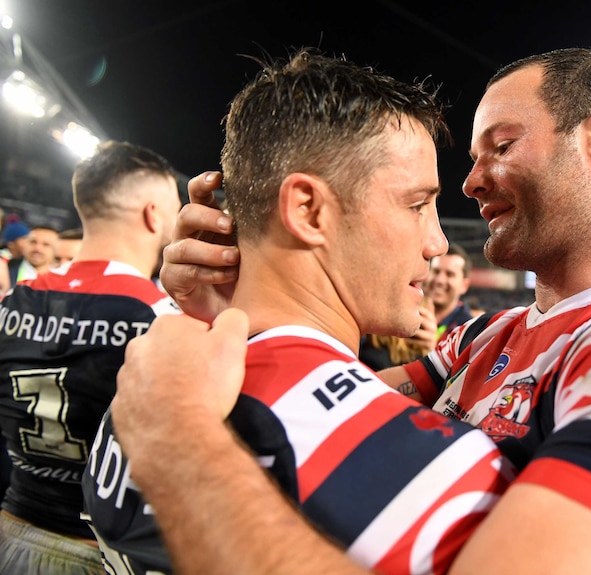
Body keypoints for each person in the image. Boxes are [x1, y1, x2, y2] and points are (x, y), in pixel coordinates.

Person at [113, 48, 591, 574]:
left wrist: (174, 438)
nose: (469, 183)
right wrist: (238, 293)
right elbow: (302, 414)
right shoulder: (484, 336)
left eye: (500, 144)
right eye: (470, 158)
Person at [81, 51, 511, 575]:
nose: (438, 242)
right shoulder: (440, 471)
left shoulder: (148, 385)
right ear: (307, 210)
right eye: (417, 204)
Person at [0, 140, 181, 574]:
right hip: (93, 550)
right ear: (153, 213)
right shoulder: (162, 315)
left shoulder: (13, 302)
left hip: (12, 526)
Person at [425, 242, 473, 340]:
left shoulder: (470, 333)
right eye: (436, 271)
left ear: (464, 285)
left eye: (450, 274)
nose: (440, 280)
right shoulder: (406, 315)